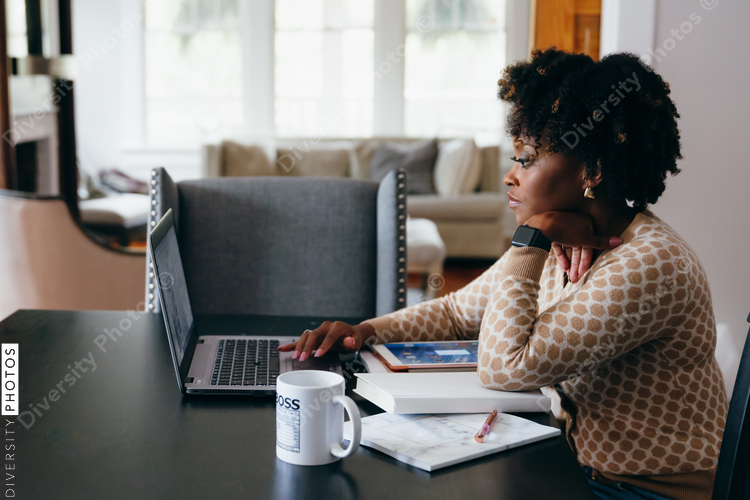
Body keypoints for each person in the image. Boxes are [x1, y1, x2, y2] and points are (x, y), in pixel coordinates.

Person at [279, 48, 727, 500]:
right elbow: (458, 312)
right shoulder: (566, 239)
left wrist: (532, 236)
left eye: (527, 159)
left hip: (646, 491)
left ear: (591, 169)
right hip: (575, 466)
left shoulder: (649, 264)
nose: (510, 177)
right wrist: (364, 331)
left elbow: (505, 367)